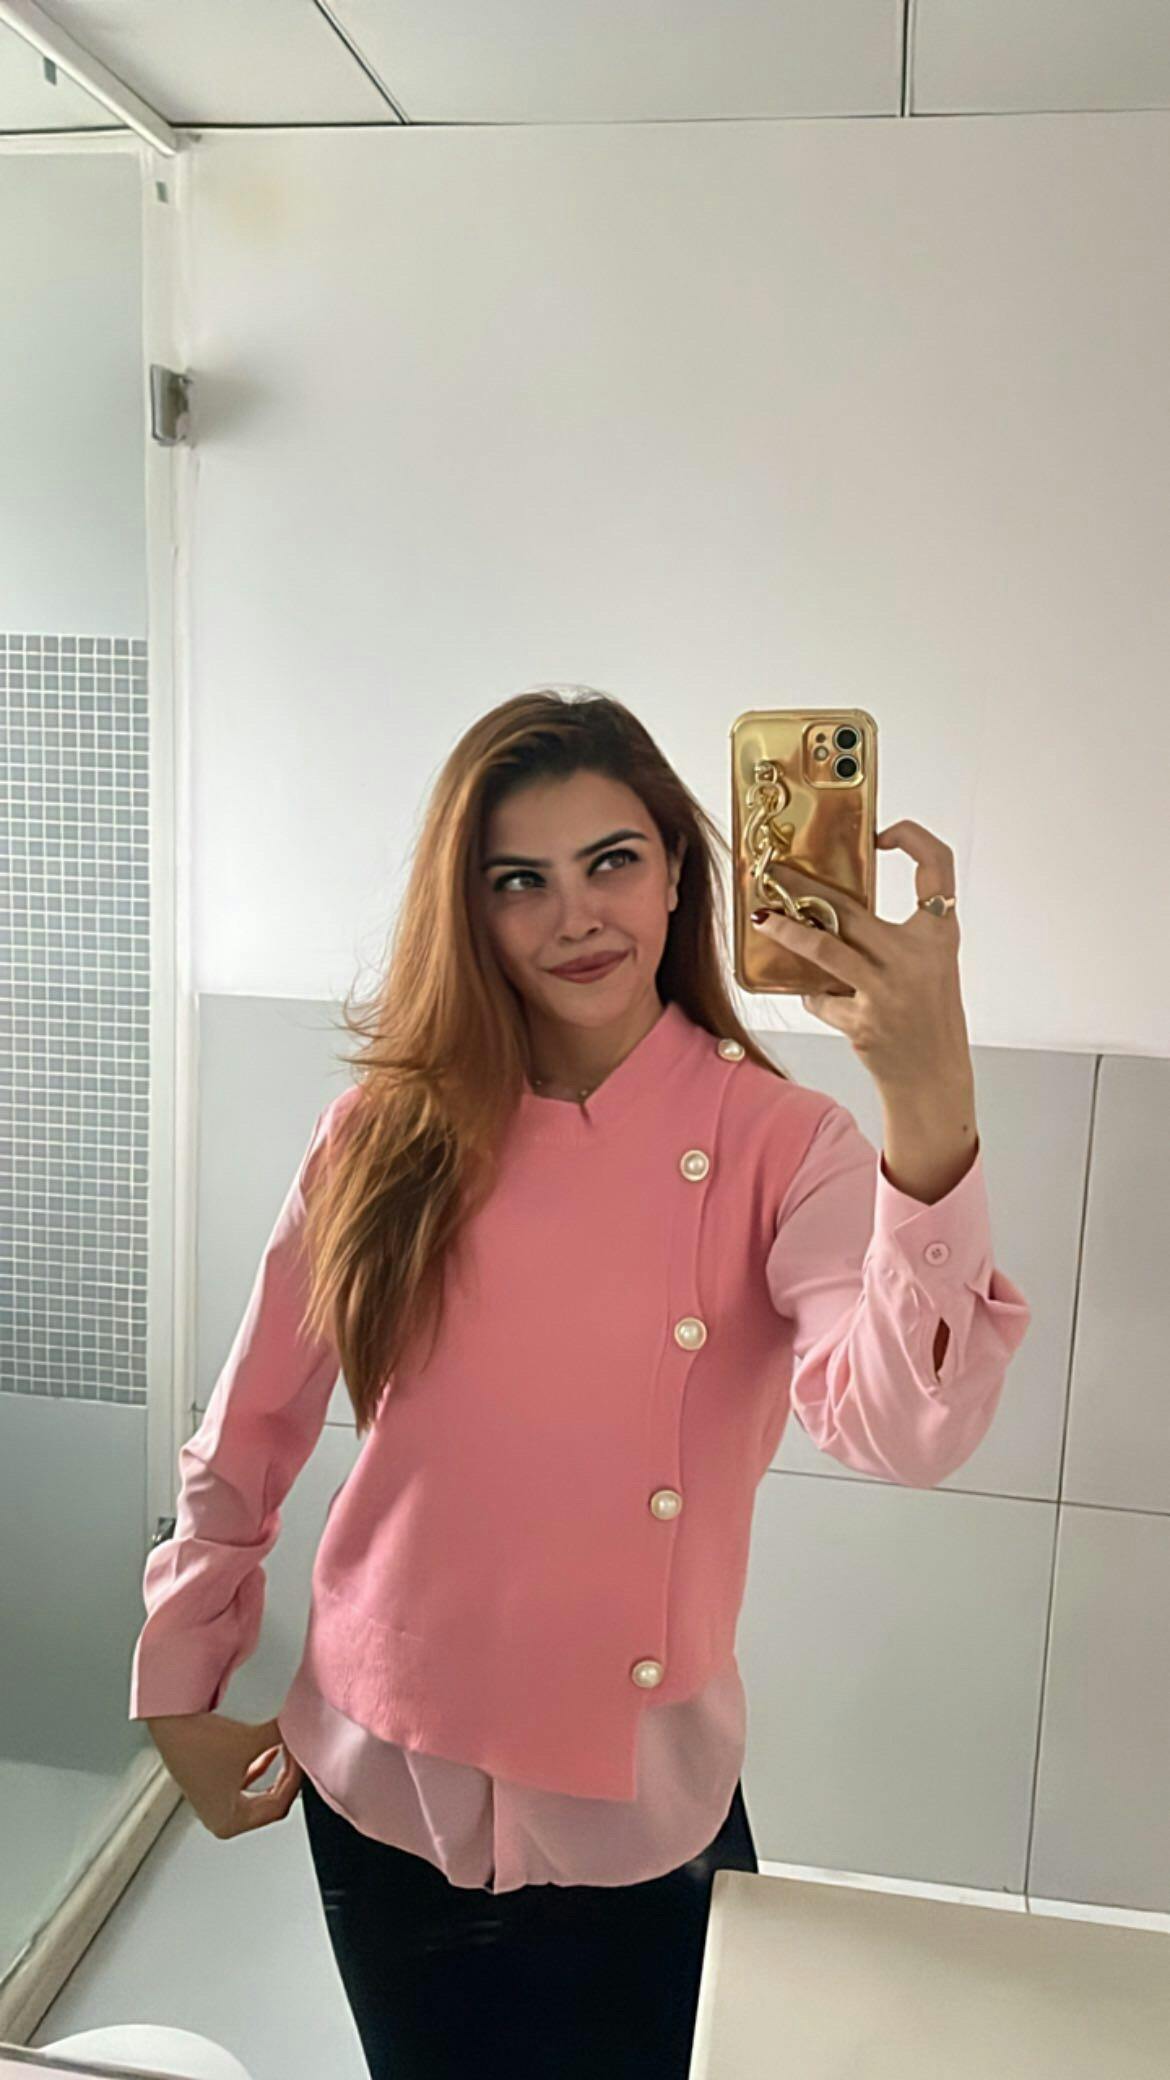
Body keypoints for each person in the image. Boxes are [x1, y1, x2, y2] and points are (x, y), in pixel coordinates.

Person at [130, 687, 1031, 2079]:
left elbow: (905, 1432)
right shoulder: (383, 1129)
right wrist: (179, 1670)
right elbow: (252, 1414)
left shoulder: (784, 1145)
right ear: (470, 910)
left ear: (677, 873)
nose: (575, 917)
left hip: (643, 1812)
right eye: (520, 881)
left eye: (612, 860)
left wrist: (931, 1101)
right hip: (379, 1781)